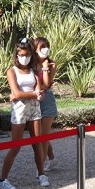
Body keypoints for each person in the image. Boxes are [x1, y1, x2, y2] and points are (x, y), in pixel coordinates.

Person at [0, 40, 49, 189]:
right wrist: (33, 94)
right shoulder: (12, 71)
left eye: (26, 55)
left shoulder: (33, 71)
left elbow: (40, 92)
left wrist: (37, 95)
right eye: (21, 55)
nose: (23, 58)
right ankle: (3, 179)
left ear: (31, 55)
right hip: (19, 110)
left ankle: (41, 174)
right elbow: (17, 92)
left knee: (37, 143)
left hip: (34, 109)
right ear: (16, 55)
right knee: (16, 146)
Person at [33, 37, 58, 171]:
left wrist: (44, 69)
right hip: (33, 99)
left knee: (44, 135)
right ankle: (52, 157)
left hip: (47, 99)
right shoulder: (31, 64)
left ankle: (40, 169)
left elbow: (47, 84)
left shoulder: (52, 64)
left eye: (47, 46)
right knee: (39, 135)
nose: (45, 49)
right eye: (42, 47)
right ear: (35, 49)